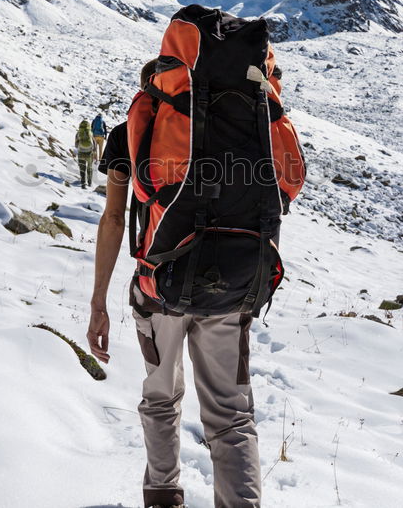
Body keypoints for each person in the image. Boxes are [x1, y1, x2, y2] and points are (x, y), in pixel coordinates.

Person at [88, 60, 261, 508]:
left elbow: (112, 217)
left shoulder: (132, 129)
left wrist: (98, 301)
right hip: (229, 293)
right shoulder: (239, 129)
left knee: (162, 399)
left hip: (157, 288)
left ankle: (163, 498)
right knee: (232, 417)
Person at [74, 119, 94, 189]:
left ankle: (83, 183)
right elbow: (93, 143)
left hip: (81, 152)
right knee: (90, 168)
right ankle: (90, 182)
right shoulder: (90, 133)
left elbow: (76, 145)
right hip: (89, 153)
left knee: (82, 168)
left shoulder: (78, 133)